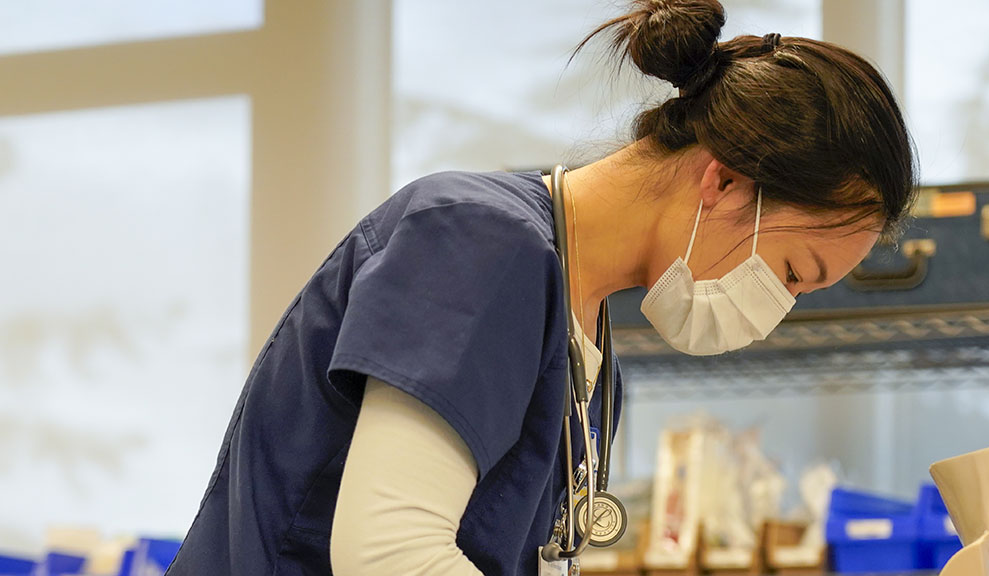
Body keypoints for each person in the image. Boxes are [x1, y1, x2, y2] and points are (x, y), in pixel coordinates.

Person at [164, 0, 916, 574]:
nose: (775, 308)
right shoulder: (478, 242)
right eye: (790, 274)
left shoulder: (592, 347)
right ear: (722, 181)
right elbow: (388, 551)